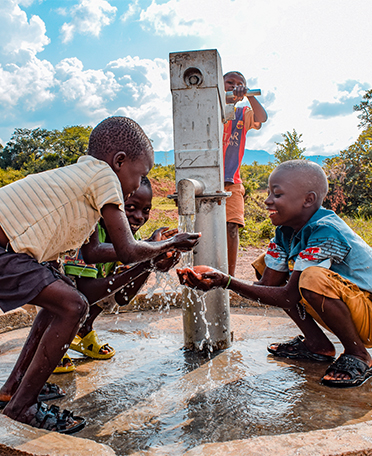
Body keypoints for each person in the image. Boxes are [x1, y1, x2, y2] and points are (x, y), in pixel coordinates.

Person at [0, 116, 200, 433]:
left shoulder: (85, 178)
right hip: (4, 250)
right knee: (73, 305)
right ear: (119, 162)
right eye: (140, 175)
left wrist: (151, 246)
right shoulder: (103, 177)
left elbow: (93, 252)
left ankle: (14, 387)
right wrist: (167, 245)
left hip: (9, 249)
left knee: (60, 295)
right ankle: (22, 407)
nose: (137, 185)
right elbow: (126, 251)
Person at [178, 160, 372, 388]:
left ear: (308, 200)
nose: (268, 200)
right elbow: (268, 286)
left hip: (367, 312)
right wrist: (220, 281)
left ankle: (358, 355)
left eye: (277, 195)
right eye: (269, 192)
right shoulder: (285, 232)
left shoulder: (326, 230)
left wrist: (226, 281)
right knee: (268, 266)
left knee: (310, 279)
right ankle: (316, 344)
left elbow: (287, 297)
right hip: (350, 308)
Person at [57, 176, 179, 372]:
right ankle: (53, 339)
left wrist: (149, 261)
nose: (139, 216)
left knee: (118, 282)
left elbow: (123, 297)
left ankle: (83, 329)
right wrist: (147, 253)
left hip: (83, 291)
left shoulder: (132, 236)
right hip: (54, 288)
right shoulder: (88, 227)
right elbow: (86, 292)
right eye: (130, 208)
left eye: (145, 210)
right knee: (73, 293)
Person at [223, 71, 268, 276]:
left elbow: (262, 117)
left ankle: (229, 278)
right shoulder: (208, 109)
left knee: (232, 227)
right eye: (229, 83)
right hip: (206, 178)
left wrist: (249, 95)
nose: (234, 86)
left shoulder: (242, 113)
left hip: (231, 180)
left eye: (240, 84)